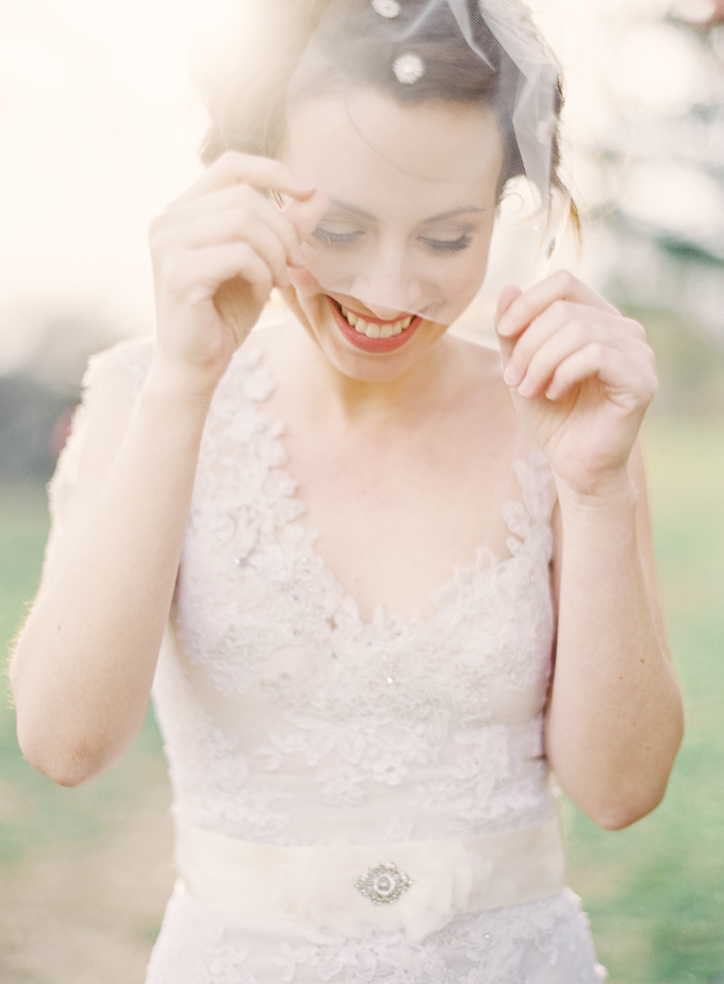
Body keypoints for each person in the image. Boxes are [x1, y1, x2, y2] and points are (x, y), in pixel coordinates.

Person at [10, 0, 684, 980]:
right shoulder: (142, 396)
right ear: (248, 182)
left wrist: (595, 486)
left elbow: (621, 792)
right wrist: (185, 385)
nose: (387, 289)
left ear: (506, 206)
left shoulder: (566, 415)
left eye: (447, 238)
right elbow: (64, 745)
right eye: (337, 226)